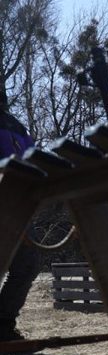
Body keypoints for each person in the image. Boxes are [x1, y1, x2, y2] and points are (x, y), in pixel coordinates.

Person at [0, 104, 38, 342]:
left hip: (18, 203)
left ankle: (3, 325)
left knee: (27, 264)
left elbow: (33, 156)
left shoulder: (15, 124)